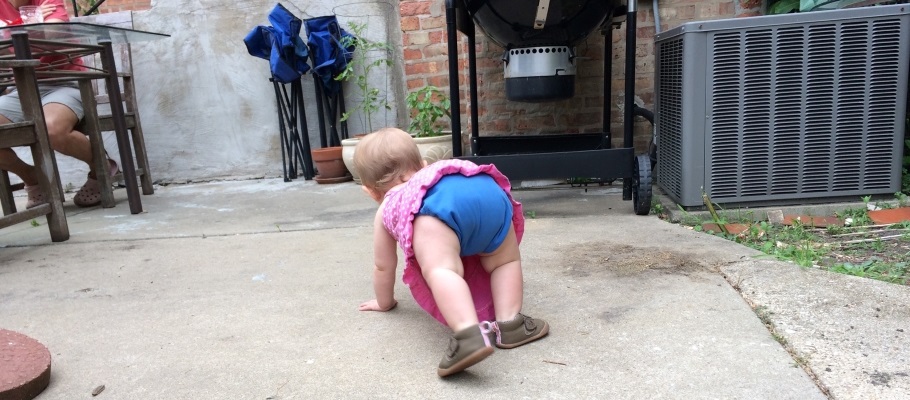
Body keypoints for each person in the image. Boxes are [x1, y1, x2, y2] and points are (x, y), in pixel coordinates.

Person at [353, 127, 549, 377]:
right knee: (504, 261)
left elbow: (384, 266)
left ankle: (468, 334)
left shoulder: (389, 206)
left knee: (442, 270)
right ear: (423, 165)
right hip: (487, 190)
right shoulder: (436, 172)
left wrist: (384, 302)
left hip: (436, 209)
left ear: (370, 191)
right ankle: (511, 324)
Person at [0, 0, 118, 208]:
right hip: (22, 89)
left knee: (52, 129)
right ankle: (32, 177)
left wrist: (14, 31)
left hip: (66, 81)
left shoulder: (49, 1)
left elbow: (51, 37)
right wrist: (29, 23)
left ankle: (100, 167)